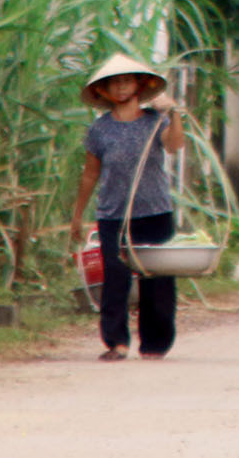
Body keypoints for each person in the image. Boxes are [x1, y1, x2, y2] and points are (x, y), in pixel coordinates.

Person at [69, 53, 185, 361]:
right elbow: (91, 172)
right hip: (113, 215)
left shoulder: (155, 121)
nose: (121, 88)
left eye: (126, 81)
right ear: (104, 91)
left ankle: (155, 345)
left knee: (157, 282)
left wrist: (174, 112)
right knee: (115, 280)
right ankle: (116, 343)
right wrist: (78, 214)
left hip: (155, 212)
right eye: (114, 83)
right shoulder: (100, 130)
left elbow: (174, 145)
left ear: (139, 85)